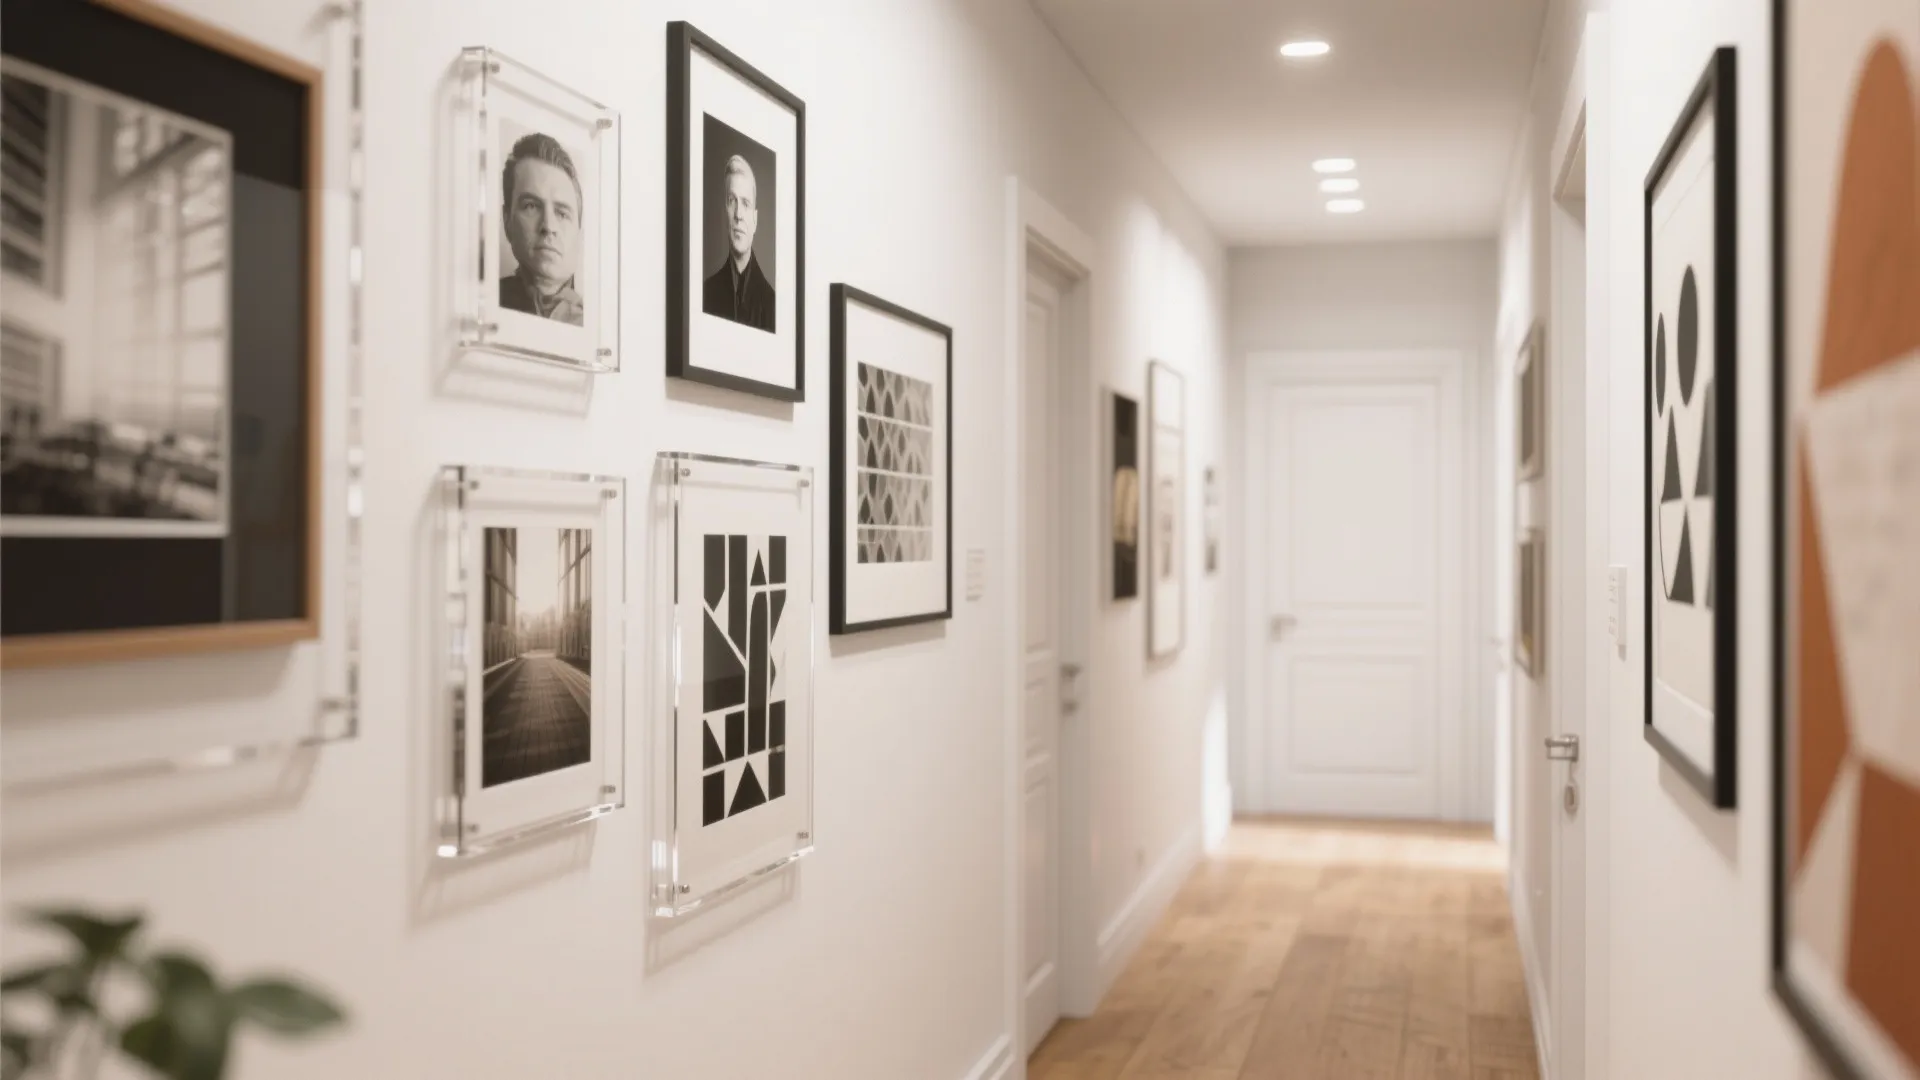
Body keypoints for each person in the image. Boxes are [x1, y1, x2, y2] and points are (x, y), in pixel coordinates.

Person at [498, 133, 584, 326]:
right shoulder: (483, 303)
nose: (548, 226)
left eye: (562, 213)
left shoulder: (601, 327)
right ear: (507, 221)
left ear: (579, 233)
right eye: (531, 206)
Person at [702, 153, 775, 330]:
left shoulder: (773, 305)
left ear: (755, 220)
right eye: (732, 201)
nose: (738, 215)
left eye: (745, 203)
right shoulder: (705, 293)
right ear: (724, 211)